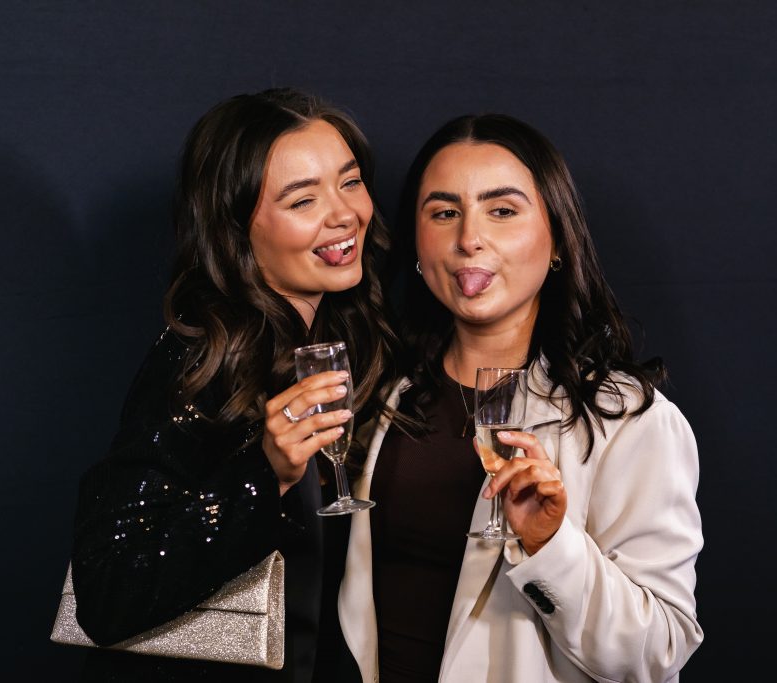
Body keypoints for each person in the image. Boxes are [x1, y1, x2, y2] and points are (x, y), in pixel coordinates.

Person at [336, 114, 704, 682]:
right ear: (416, 240)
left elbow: (657, 652)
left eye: (502, 211)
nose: (468, 239)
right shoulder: (381, 398)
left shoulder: (629, 420)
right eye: (444, 212)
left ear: (556, 239)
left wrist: (551, 544)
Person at [69, 88, 394, 682]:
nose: (344, 213)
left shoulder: (338, 339)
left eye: (350, 182)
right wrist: (263, 475)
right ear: (238, 228)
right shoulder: (203, 358)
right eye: (302, 200)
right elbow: (107, 593)